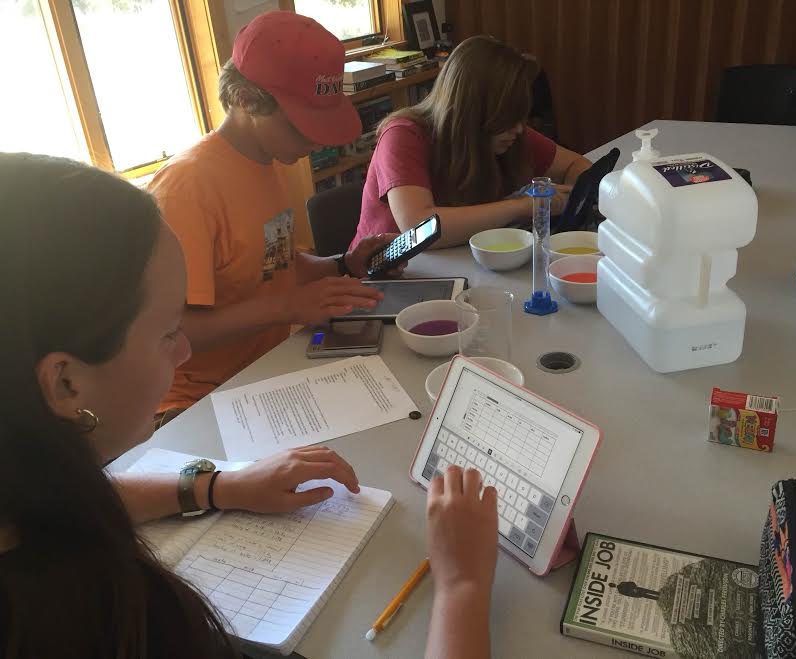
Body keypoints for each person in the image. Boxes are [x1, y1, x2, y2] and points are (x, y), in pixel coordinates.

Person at [0, 153, 498, 658]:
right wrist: (463, 587)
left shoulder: (28, 495)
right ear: (65, 384)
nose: (184, 350)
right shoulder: (69, 623)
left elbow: (65, 505)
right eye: (168, 333)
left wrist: (216, 486)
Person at [149, 12, 402, 421]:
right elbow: (172, 334)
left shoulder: (270, 160)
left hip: (268, 370)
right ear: (246, 100)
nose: (317, 140)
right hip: (195, 403)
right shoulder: (187, 190)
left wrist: (343, 264)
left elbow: (274, 265)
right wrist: (287, 308)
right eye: (303, 125)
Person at [350, 35, 594, 250]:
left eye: (520, 117)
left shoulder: (506, 132)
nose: (519, 129)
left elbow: (578, 165)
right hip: (385, 276)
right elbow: (419, 228)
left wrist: (574, 200)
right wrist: (521, 206)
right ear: (473, 113)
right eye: (508, 117)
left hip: (456, 261)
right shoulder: (402, 136)